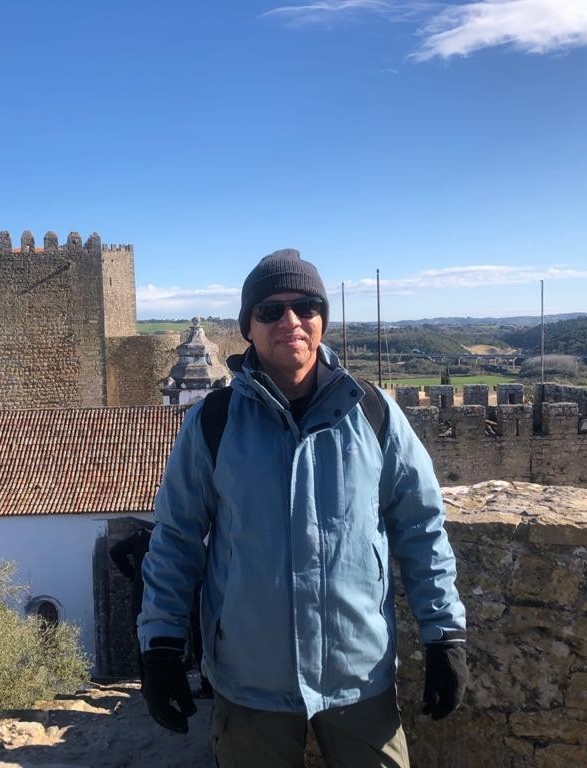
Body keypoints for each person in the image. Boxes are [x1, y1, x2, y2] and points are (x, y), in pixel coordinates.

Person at [137, 249, 468, 767]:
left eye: (306, 306)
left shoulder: (375, 415)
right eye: (270, 310)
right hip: (251, 682)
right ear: (248, 326)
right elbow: (176, 539)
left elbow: (421, 528)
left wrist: (444, 635)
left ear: (322, 320)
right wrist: (160, 646)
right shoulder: (212, 424)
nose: (290, 321)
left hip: (358, 676)